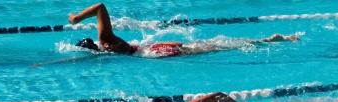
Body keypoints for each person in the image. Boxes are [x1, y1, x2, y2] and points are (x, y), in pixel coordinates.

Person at [67, 3, 300, 57]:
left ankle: (268, 41)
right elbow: (100, 7)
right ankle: (266, 40)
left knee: (213, 48)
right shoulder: (106, 38)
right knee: (214, 45)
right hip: (152, 48)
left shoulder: (105, 47)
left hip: (154, 54)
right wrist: (77, 18)